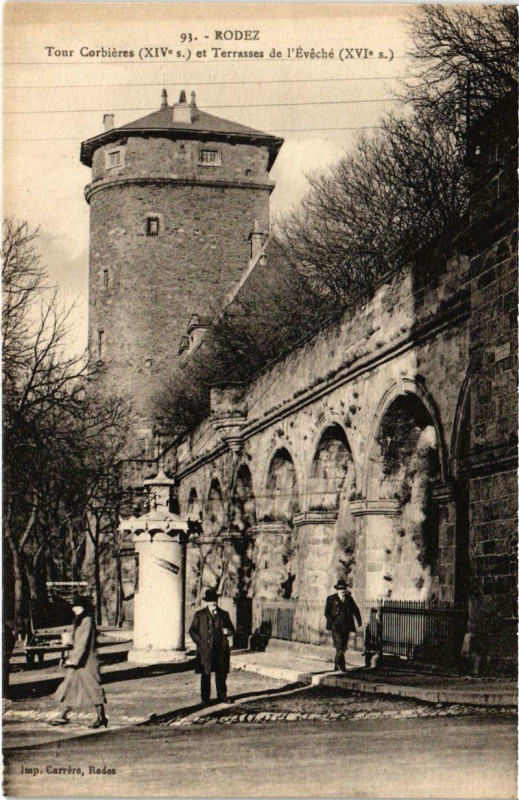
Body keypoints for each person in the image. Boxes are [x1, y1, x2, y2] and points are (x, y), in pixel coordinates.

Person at [50, 595, 107, 728]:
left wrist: (74, 660)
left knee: (92, 688)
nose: (73, 608)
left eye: (76, 606)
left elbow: (83, 643)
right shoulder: (81, 620)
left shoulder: (87, 620)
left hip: (86, 661)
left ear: (82, 607)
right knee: (71, 687)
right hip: (81, 660)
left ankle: (101, 717)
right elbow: (78, 641)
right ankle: (63, 716)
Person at [189, 588, 235, 705]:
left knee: (221, 674)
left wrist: (228, 631)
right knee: (206, 675)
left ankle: (222, 696)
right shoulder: (200, 615)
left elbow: (232, 630)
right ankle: (205, 700)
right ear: (206, 602)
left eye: (215, 600)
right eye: (210, 601)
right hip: (206, 650)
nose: (213, 603)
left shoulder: (224, 614)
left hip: (220, 649)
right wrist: (200, 643)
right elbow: (192, 631)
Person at [324, 578, 362, 672]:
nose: (343, 591)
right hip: (336, 627)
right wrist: (332, 623)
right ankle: (340, 664)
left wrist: (359, 622)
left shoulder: (349, 599)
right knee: (340, 645)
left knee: (343, 647)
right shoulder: (331, 599)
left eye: (344, 588)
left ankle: (338, 665)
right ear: (337, 590)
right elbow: (326, 613)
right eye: (340, 589)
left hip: (346, 626)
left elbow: (355, 610)